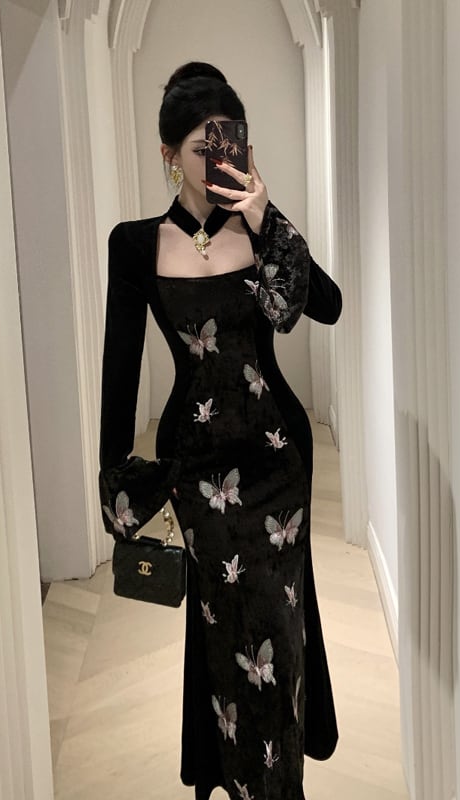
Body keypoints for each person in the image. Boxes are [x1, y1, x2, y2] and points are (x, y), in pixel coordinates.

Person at [99, 62, 342, 800]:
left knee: (280, 635)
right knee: (224, 632)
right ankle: (237, 779)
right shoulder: (135, 245)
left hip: (277, 466)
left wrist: (267, 215)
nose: (217, 159)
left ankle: (280, 786)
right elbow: (119, 367)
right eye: (201, 147)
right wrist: (115, 478)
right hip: (199, 473)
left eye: (228, 142)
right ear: (169, 154)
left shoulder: (260, 233)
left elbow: (326, 304)